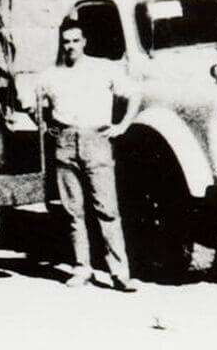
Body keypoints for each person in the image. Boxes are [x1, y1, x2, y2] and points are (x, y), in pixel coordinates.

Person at [24, 18, 140, 292]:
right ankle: (82, 268)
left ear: (84, 42)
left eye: (76, 40)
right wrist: (47, 128)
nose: (71, 46)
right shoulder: (49, 76)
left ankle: (120, 273)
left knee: (107, 209)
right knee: (72, 210)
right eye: (66, 41)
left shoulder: (103, 69)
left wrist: (122, 126)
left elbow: (134, 94)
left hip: (96, 140)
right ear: (61, 44)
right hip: (64, 142)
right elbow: (32, 106)